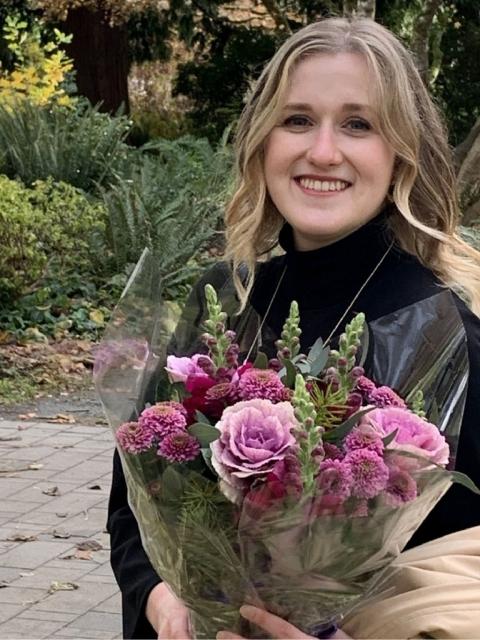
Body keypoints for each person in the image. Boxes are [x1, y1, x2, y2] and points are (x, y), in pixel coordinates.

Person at [107, 16, 480, 640]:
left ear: (401, 153)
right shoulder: (221, 306)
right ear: (262, 139)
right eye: (298, 119)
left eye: (358, 124)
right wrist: (163, 599)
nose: (323, 151)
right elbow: (133, 504)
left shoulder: (446, 336)